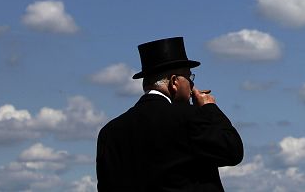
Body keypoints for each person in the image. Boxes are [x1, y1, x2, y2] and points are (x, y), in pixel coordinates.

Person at [96, 36, 243, 191]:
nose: (192, 85)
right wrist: (209, 109)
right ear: (174, 82)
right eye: (189, 77)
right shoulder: (190, 117)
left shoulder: (109, 132)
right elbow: (232, 151)